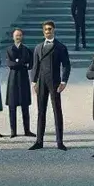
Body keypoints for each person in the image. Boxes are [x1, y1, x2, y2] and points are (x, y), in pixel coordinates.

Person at [29, 20, 70, 151]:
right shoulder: (38, 47)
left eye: (50, 29)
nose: (48, 31)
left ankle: (60, 141)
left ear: (54, 30)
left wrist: (63, 82)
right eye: (46, 29)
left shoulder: (60, 47)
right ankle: (39, 141)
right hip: (41, 82)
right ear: (43, 31)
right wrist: (33, 82)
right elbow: (35, 66)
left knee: (57, 110)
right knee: (41, 111)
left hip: (54, 81)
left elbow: (66, 65)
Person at [4, 28, 33, 138]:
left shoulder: (26, 49)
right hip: (13, 79)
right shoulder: (9, 49)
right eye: (16, 35)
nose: (18, 37)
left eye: (20, 35)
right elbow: (9, 63)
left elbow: (30, 63)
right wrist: (21, 63)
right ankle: (13, 131)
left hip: (23, 78)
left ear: (22, 36)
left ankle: (27, 130)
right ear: (13, 37)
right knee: (12, 105)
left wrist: (17, 62)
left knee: (25, 105)